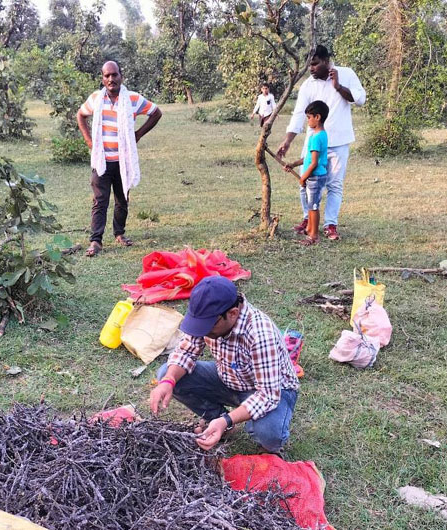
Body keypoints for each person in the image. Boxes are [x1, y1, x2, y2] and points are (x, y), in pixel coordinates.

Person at [150, 276, 299, 453]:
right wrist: (168, 381)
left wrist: (227, 419)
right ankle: (219, 422)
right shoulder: (210, 319)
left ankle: (233, 426)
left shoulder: (261, 334)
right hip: (230, 378)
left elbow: (267, 396)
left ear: (233, 314)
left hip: (273, 390)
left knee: (269, 433)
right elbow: (186, 351)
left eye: (208, 326)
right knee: (167, 373)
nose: (202, 331)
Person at [276, 45, 366, 241]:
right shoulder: (309, 84)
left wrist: (339, 87)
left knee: (334, 184)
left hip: (339, 141)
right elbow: (299, 113)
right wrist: (288, 141)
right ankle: (308, 219)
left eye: (315, 64)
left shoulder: (346, 73)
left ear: (326, 61)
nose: (311, 69)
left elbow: (360, 99)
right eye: (309, 65)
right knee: (304, 183)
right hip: (313, 142)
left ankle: (330, 225)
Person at [77, 61, 162, 258]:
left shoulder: (132, 99)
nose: (111, 79)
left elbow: (156, 113)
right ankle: (96, 240)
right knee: (100, 200)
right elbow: (80, 115)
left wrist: (138, 134)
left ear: (121, 76)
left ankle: (119, 234)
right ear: (102, 78)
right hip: (102, 160)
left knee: (122, 198)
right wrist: (89, 141)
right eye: (106, 76)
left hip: (123, 160)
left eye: (114, 75)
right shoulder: (96, 99)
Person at [284, 100, 329, 246]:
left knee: (313, 206)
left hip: (315, 177)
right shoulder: (319, 134)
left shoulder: (316, 137)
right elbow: (308, 159)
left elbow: (314, 163)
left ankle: (314, 236)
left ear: (318, 117)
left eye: (309, 117)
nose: (307, 120)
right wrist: (293, 164)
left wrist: (303, 177)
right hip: (315, 175)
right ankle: (310, 228)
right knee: (311, 204)